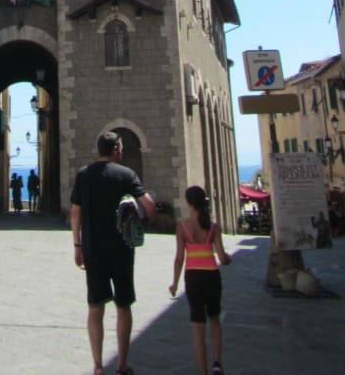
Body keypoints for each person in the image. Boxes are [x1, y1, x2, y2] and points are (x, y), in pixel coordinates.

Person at [70, 131, 155, 375]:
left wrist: (77, 246)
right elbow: (149, 206)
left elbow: (75, 213)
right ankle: (121, 364)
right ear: (116, 149)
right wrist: (141, 224)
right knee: (123, 305)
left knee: (95, 307)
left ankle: (97, 365)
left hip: (92, 249)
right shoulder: (127, 175)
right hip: (122, 249)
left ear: (99, 149)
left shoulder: (84, 175)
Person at [169, 185, 231, 375]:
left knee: (197, 325)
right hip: (212, 276)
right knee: (214, 319)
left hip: (193, 277)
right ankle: (217, 363)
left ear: (188, 203)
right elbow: (222, 257)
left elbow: (179, 258)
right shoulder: (213, 227)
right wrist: (228, 259)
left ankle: (203, 371)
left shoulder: (182, 227)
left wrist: (175, 283)